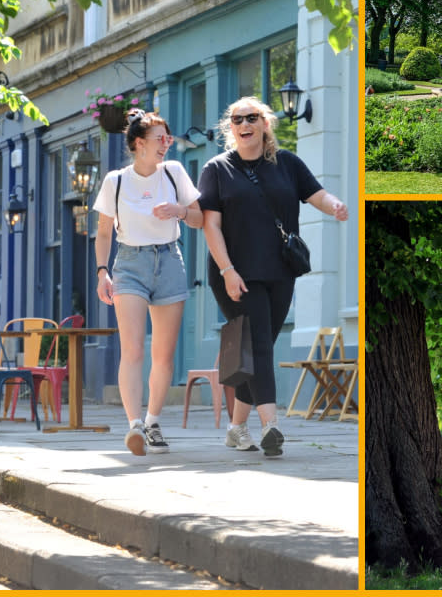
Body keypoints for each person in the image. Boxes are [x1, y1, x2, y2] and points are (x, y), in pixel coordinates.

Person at [198, 96, 349, 457]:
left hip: (281, 269)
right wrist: (228, 270)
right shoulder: (217, 169)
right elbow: (210, 225)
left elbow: (316, 194)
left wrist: (335, 206)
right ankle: (271, 426)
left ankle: (236, 429)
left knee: (255, 350)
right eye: (237, 119)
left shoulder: (287, 164)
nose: (244, 124)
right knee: (261, 344)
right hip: (235, 273)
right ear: (230, 128)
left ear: (265, 124)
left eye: (252, 117)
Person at [93, 109, 203, 456]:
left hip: (169, 259)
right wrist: (102, 272)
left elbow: (200, 219)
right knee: (133, 349)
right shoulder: (117, 181)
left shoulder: (174, 172)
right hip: (129, 265)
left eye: (168, 138)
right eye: (161, 139)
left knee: (164, 353)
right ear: (139, 144)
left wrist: (179, 212)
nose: (167, 145)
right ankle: (134, 425)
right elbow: (103, 232)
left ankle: (153, 421)